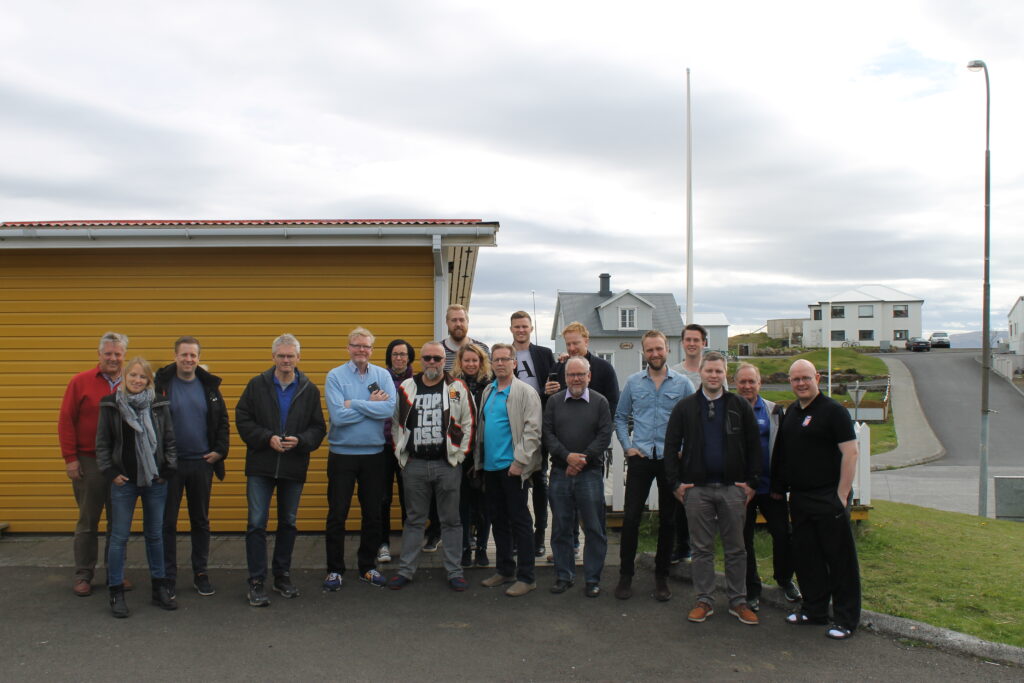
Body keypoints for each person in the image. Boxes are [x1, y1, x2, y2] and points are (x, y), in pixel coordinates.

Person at [664, 351, 761, 626]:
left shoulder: (739, 406)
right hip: (697, 490)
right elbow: (671, 446)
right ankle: (704, 600)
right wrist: (675, 484)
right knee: (701, 549)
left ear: (725, 374)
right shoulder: (685, 407)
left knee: (736, 548)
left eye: (719, 371)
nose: (714, 376)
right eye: (709, 371)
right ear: (701, 373)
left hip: (732, 489)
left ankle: (738, 601)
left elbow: (754, 446)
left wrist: (752, 483)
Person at [772, 359, 861, 640]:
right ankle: (814, 610)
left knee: (840, 561)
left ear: (817, 378)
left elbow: (851, 453)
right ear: (790, 382)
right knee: (807, 558)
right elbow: (784, 452)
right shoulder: (792, 412)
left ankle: (846, 619)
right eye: (796, 379)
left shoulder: (834, 411)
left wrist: (841, 495)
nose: (801, 383)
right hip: (800, 497)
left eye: (806, 378)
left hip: (828, 497)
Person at [236, 334, 326, 607]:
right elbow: (242, 418)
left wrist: (301, 441)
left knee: (288, 522)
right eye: (281, 355)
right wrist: (266, 438)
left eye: (290, 356)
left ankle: (282, 576)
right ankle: (256, 580)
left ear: (298, 358)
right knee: (256, 523)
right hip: (261, 465)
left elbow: (318, 428)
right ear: (273, 357)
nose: (286, 360)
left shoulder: (309, 389)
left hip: (293, 465)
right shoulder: (257, 385)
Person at [613, 330, 694, 602]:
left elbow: (693, 421)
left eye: (659, 348)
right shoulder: (633, 382)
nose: (655, 354)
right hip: (642, 458)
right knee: (631, 518)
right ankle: (626, 575)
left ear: (667, 349)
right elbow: (620, 417)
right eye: (650, 350)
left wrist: (684, 448)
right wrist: (628, 446)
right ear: (643, 352)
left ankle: (662, 576)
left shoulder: (682, 384)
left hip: (671, 461)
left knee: (668, 520)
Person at [387, 342, 475, 591]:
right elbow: (396, 423)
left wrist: (459, 456)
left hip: (446, 464)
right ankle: (406, 570)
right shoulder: (407, 387)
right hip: (414, 465)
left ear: (444, 361)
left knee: (451, 521)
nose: (432, 362)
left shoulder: (457, 387)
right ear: (421, 360)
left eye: (437, 358)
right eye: (428, 358)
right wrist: (401, 452)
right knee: (414, 520)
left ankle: (454, 571)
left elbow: (469, 423)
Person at [95, 357, 177, 617]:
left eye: (142, 377)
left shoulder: (159, 404)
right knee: (119, 537)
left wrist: (167, 469)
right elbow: (103, 444)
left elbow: (169, 439)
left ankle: (159, 587)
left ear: (149, 380)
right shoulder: (111, 404)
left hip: (155, 481)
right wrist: (111, 473)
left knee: (155, 535)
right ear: (124, 377)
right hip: (124, 482)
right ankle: (116, 591)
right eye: (133, 375)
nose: (137, 380)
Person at [154, 335, 230, 599]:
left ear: (199, 358)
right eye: (184, 354)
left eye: (193, 355)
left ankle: (201, 573)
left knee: (200, 521)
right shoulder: (161, 385)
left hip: (201, 464)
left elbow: (222, 422)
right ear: (175, 356)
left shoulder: (209, 387)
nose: (188, 359)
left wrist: (219, 451)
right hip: (171, 467)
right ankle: (168, 576)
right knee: (167, 523)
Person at [323, 327, 397, 590]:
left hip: (373, 455)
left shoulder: (382, 375)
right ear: (348, 348)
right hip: (342, 455)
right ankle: (335, 570)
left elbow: (389, 409)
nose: (361, 350)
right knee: (337, 514)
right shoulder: (335, 376)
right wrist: (370, 403)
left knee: (373, 515)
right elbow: (338, 417)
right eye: (356, 345)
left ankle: (367, 566)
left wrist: (352, 403)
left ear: (372, 350)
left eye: (366, 346)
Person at [58, 331, 128, 597]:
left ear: (124, 355)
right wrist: (71, 458)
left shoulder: (132, 382)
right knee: (88, 521)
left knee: (117, 522)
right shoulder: (80, 382)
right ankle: (83, 574)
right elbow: (66, 421)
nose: (113, 358)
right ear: (99, 354)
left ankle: (115, 574)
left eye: (117, 354)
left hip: (121, 462)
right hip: (89, 461)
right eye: (108, 353)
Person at [475, 343, 543, 597]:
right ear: (491, 363)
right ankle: (505, 570)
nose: (501, 363)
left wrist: (520, 461)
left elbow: (533, 430)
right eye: (496, 359)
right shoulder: (489, 391)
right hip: (491, 468)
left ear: (515, 363)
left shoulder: (525, 392)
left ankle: (527, 577)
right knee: (498, 521)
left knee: (520, 521)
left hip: (513, 468)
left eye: (505, 359)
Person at [543, 356, 612, 597]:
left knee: (594, 528)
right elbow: (547, 434)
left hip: (590, 473)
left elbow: (604, 435)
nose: (576, 379)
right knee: (561, 528)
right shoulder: (554, 402)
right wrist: (567, 457)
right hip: (560, 472)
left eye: (580, 374)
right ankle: (564, 576)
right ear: (565, 377)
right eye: (571, 375)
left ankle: (592, 579)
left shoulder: (600, 402)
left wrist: (582, 460)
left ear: (589, 376)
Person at [734, 363, 800, 612]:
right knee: (744, 541)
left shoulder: (774, 411)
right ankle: (752, 588)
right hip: (742, 490)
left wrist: (780, 484)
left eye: (752, 381)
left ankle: (784, 579)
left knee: (783, 536)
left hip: (770, 487)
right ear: (735, 384)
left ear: (759, 383)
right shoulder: (729, 411)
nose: (747, 386)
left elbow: (783, 450)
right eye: (742, 382)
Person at [669, 323, 719, 565]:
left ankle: (704, 549)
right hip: (682, 448)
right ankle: (682, 547)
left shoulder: (712, 372)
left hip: (707, 448)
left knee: (706, 500)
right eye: (688, 339)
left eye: (696, 340)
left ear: (703, 343)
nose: (691, 344)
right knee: (681, 499)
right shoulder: (674, 373)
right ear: (682, 343)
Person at [511, 310, 556, 558]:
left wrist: (550, 389)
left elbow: (555, 381)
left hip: (539, 421)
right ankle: (520, 534)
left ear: (531, 328)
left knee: (539, 479)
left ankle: (540, 535)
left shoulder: (544, 353)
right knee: (516, 480)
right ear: (511, 329)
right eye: (517, 326)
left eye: (524, 326)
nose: (521, 330)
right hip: (512, 424)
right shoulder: (505, 354)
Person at [452, 343, 492, 567]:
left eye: (475, 360)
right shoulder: (453, 385)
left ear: (481, 362)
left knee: (484, 505)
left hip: (485, 450)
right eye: (466, 360)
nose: (471, 364)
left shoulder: (490, 385)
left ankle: (483, 548)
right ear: (461, 362)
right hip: (462, 451)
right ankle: (465, 547)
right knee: (463, 505)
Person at [378, 339, 415, 564]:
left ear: (409, 358)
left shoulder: (417, 382)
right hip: (383, 445)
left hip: (408, 447)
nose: (399, 358)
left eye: (403, 354)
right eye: (395, 354)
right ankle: (382, 544)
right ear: (389, 357)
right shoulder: (378, 380)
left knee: (408, 498)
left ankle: (408, 545)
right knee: (382, 498)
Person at [441, 304, 490, 373]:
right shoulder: (438, 351)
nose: (458, 324)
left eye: (461, 320)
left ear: (467, 321)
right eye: (454, 320)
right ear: (447, 322)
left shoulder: (483, 349)